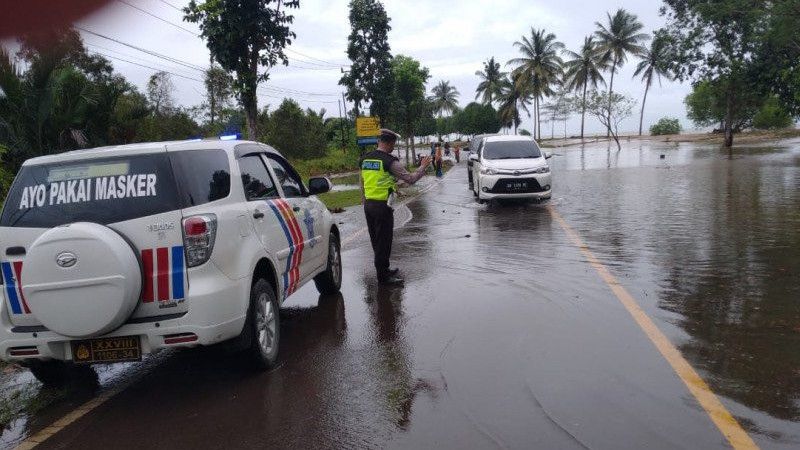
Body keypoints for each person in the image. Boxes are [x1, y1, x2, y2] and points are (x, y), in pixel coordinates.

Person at [361, 129, 432, 285]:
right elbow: (410, 179)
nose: (394, 147)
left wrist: (365, 199)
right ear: (390, 142)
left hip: (369, 205)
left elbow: (364, 181)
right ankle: (383, 277)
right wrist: (422, 167)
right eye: (393, 144)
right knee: (384, 241)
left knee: (376, 240)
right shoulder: (390, 161)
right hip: (382, 207)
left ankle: (384, 270)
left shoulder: (365, 159)